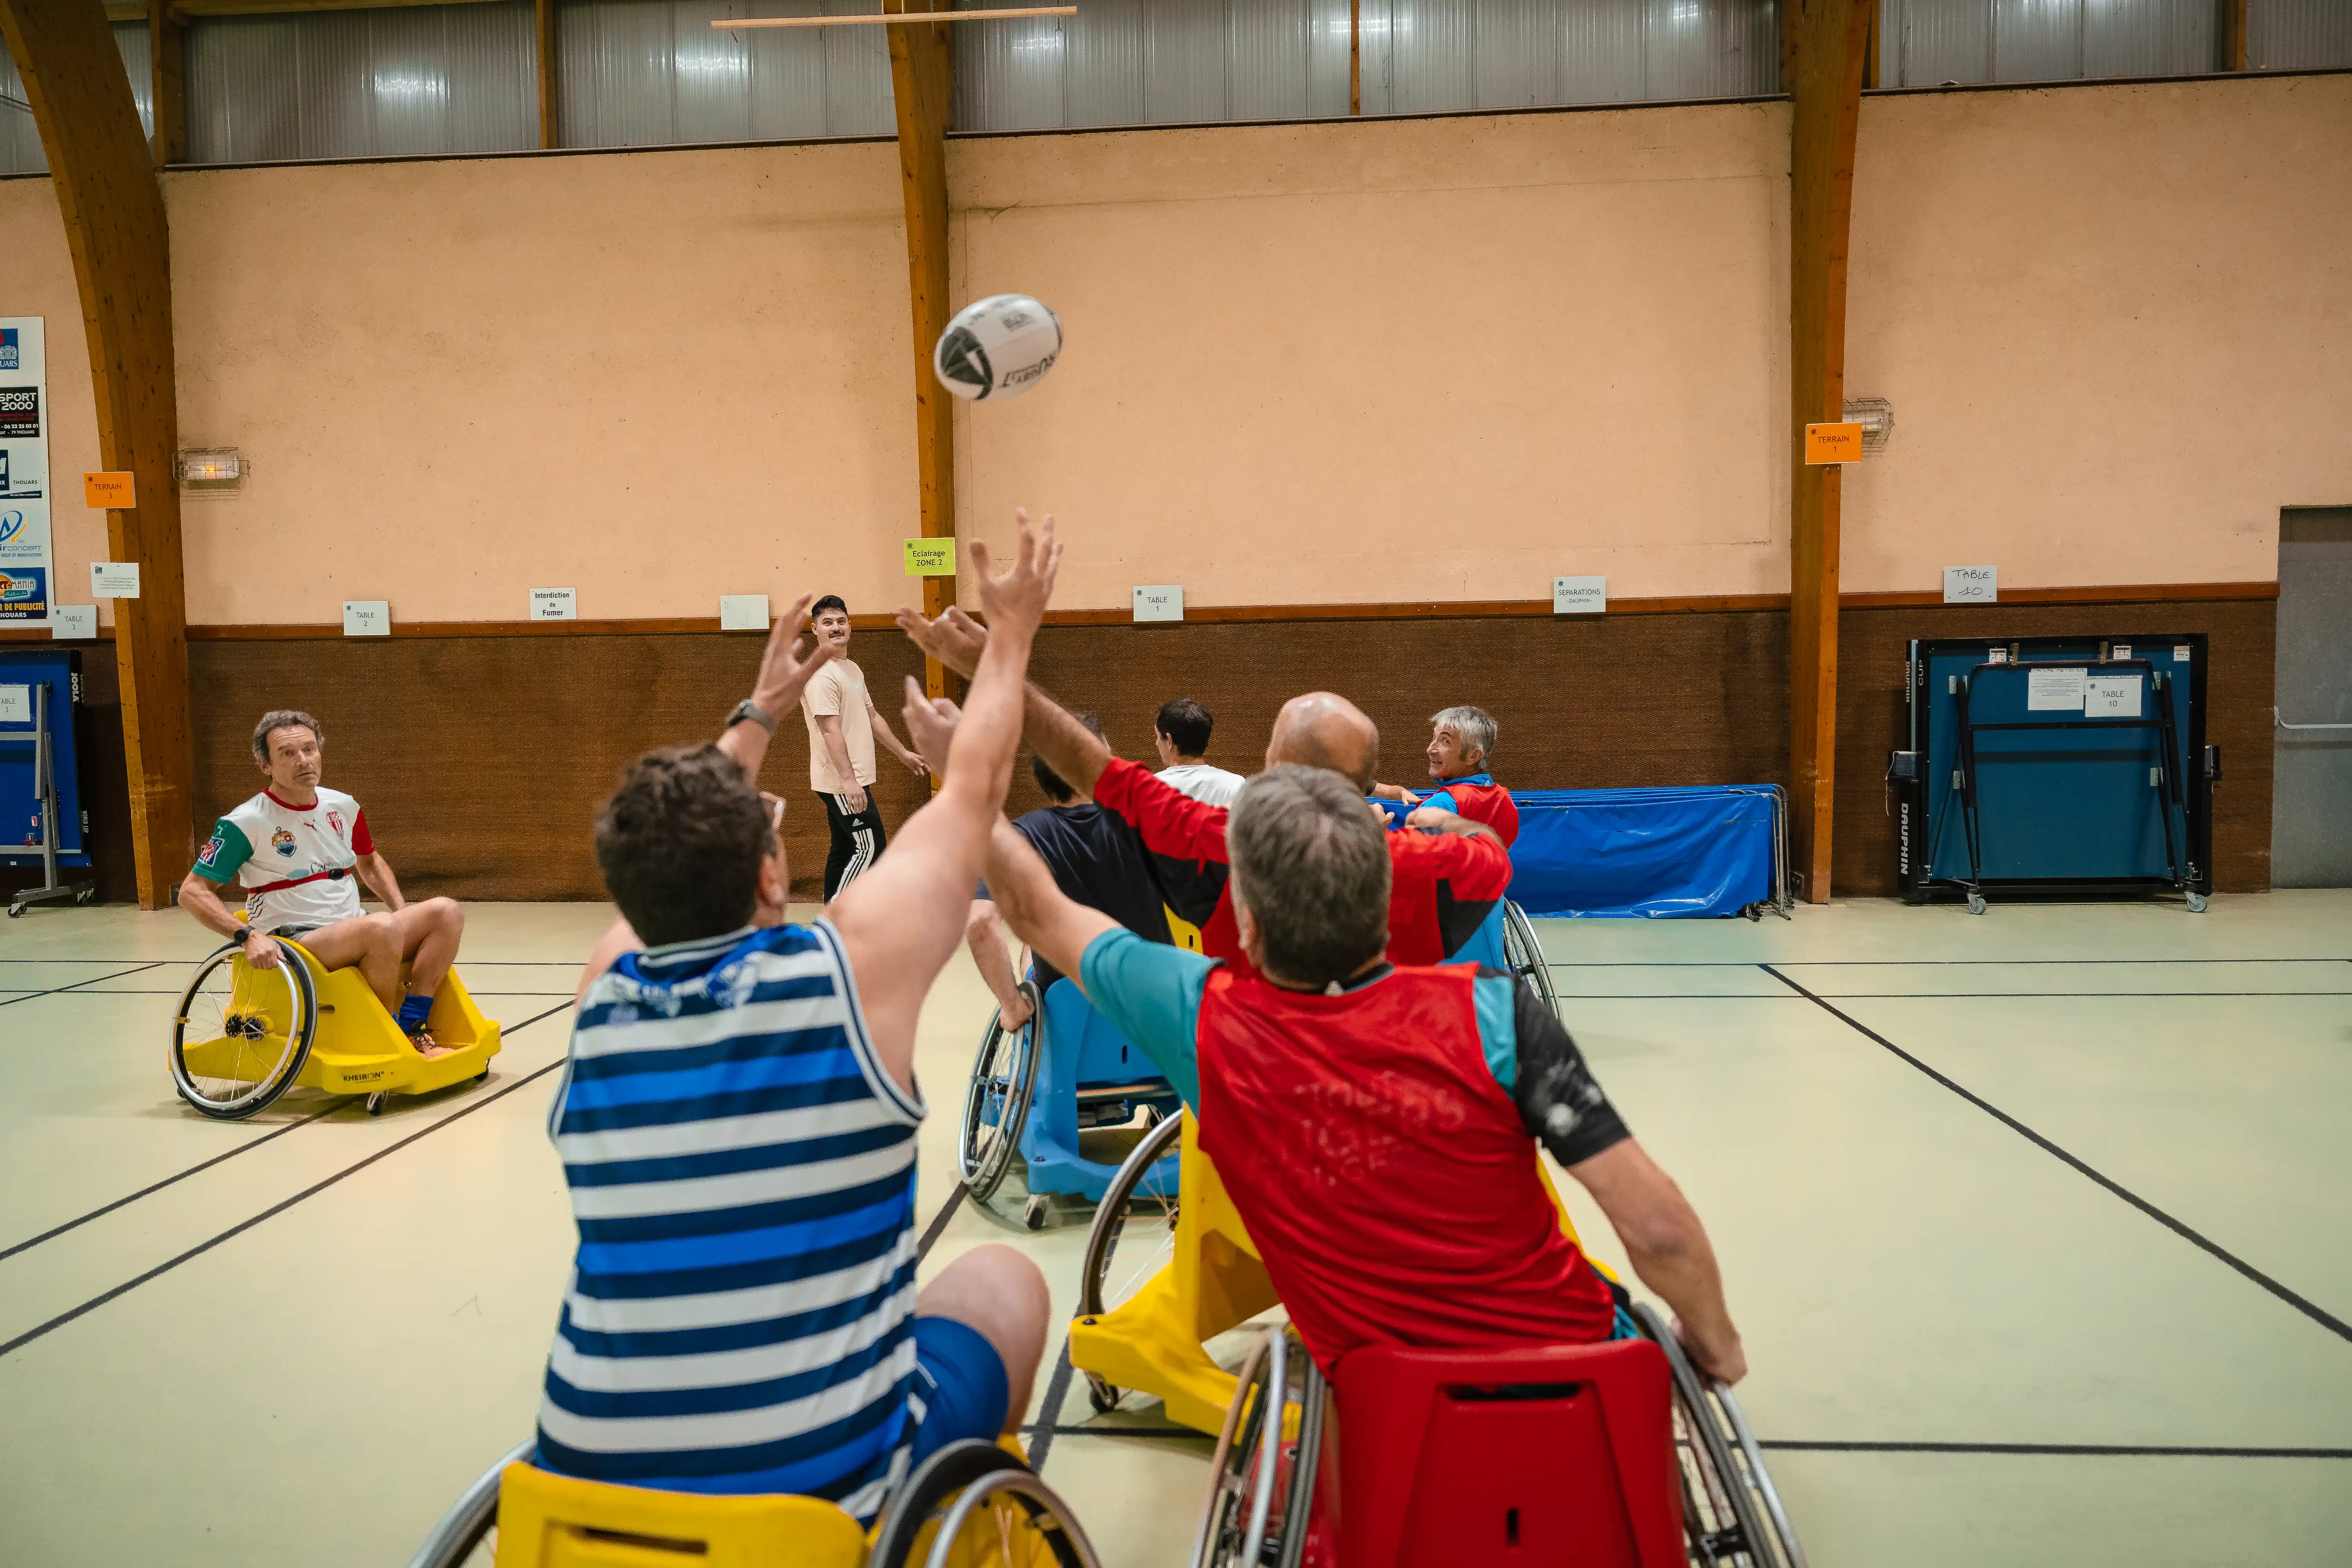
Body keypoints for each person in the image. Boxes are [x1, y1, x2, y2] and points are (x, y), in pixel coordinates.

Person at [536, 516, 1060, 1519]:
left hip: (583, 1479)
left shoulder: (602, 998)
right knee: (1004, 1281)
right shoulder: (844, 979)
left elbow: (671, 844)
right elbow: (975, 789)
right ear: (772, 877)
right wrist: (1011, 635)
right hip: (822, 1483)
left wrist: (756, 711)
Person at [980, 763, 1746, 1385]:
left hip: (1388, 1414)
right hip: (1579, 1381)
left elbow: (1038, 910)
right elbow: (1660, 1233)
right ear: (1383, 905)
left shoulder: (1210, 1023)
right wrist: (1718, 1345)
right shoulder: (1495, 1016)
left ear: (1248, 923)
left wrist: (971, 778)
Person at [897, 605, 1511, 971]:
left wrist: (996, 674)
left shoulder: (1220, 845)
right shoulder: (1432, 868)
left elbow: (1091, 770)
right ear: (1363, 786)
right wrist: (1444, 823)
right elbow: (1490, 852)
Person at [178, 710, 465, 1054]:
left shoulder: (343, 805)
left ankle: (414, 1025)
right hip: (296, 941)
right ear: (265, 765)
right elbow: (192, 891)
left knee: (446, 911)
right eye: (288, 753)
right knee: (382, 928)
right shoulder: (245, 822)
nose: (303, 761)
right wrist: (247, 936)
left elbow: (370, 862)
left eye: (309, 749)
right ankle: (387, 1035)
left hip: (353, 928)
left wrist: (401, 911)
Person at [965, 712, 1174, 1031]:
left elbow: (980, 923)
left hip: (1071, 1015)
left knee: (1032, 943)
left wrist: (1013, 1007)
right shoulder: (1148, 818)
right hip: (1156, 1004)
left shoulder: (1020, 838)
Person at [801, 592, 929, 902]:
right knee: (871, 847)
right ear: (815, 629)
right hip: (842, 781)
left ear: (850, 626)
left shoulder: (852, 670)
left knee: (845, 847)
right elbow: (829, 729)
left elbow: (872, 716)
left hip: (854, 778)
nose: (836, 627)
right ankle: (839, 915)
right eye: (827, 622)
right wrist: (849, 781)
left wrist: (903, 754)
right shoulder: (821, 675)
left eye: (841, 621)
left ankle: (832, 912)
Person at [1374, 704, 1519, 845]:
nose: (1430, 749)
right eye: (1434, 738)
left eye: (1446, 741)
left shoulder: (1436, 807)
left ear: (1473, 756)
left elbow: (1408, 859)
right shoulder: (1505, 799)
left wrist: (1376, 833)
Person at [1152, 697, 1245, 807]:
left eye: (1158, 737)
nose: (1157, 743)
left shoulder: (1151, 789)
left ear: (1169, 741)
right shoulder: (1235, 784)